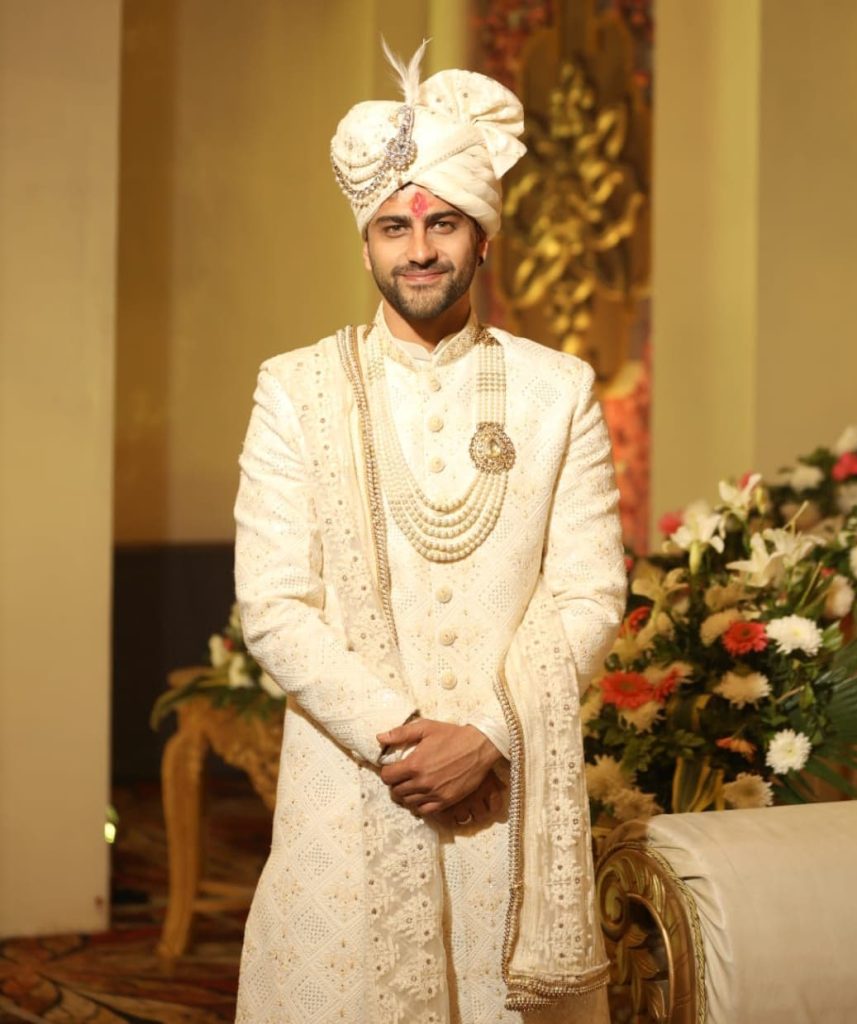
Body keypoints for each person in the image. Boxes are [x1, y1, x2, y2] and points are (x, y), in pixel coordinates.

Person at [233, 41, 625, 1024]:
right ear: (363, 243)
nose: (418, 248)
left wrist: (486, 734)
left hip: (506, 798)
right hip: (353, 788)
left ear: (481, 238)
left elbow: (587, 592)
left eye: (442, 222)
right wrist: (399, 743)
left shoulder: (557, 390)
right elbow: (273, 602)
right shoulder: (296, 389)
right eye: (392, 226)